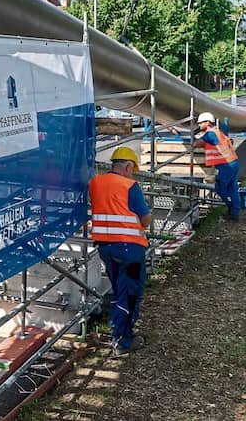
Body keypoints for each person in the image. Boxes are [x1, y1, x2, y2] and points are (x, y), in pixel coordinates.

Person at [88, 147, 152, 358]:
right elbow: (145, 219)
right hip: (130, 248)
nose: (132, 173)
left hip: (106, 247)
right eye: (132, 169)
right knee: (130, 294)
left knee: (118, 291)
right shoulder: (130, 185)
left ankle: (119, 333)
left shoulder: (95, 182)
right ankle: (123, 341)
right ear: (127, 166)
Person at [194, 112, 241, 221]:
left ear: (207, 123)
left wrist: (194, 134)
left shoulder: (210, 134)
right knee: (232, 188)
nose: (199, 125)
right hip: (232, 162)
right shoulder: (217, 131)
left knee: (220, 187)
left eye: (200, 123)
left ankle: (231, 207)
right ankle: (235, 213)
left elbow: (196, 144)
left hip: (226, 165)